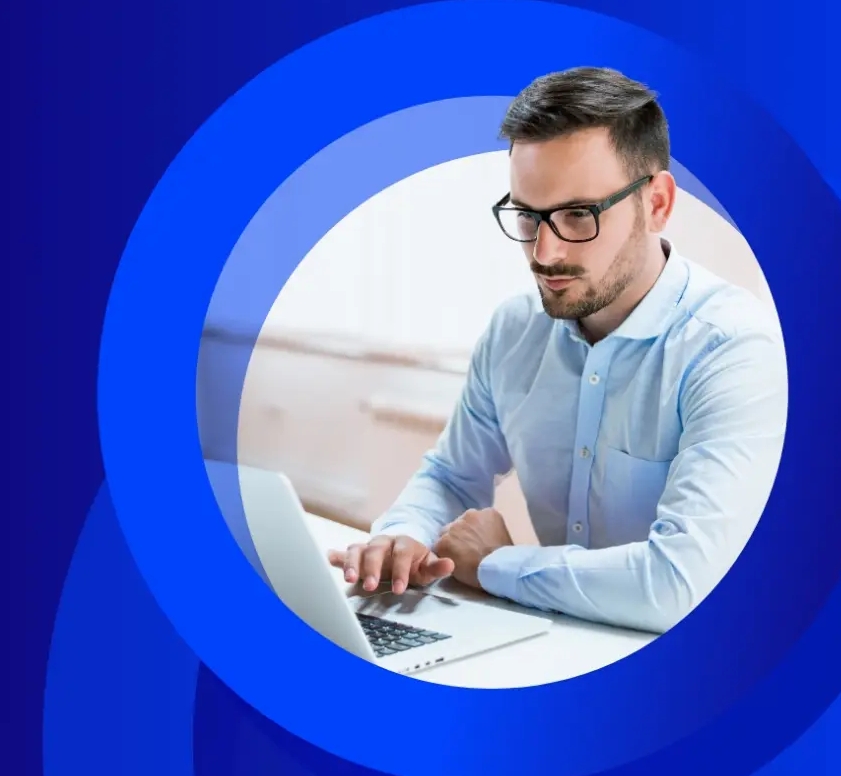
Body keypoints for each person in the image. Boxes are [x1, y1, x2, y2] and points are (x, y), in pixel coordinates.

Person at [328, 66, 787, 633]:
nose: (543, 252)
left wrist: (496, 564)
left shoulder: (732, 349)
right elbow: (450, 477)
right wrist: (403, 534)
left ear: (658, 203)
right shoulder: (515, 328)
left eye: (578, 215)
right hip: (556, 644)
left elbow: (678, 585)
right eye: (527, 215)